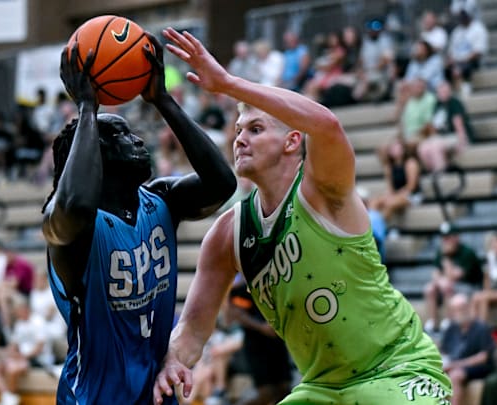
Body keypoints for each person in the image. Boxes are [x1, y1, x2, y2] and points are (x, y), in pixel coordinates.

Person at [154, 27, 451, 405]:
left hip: (397, 369)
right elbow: (193, 331)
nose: (240, 139)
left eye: (256, 129)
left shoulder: (324, 189)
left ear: (293, 141)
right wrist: (172, 361)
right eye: (238, 130)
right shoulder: (227, 234)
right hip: (324, 389)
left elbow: (326, 125)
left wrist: (229, 84)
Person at [41, 35, 236, 405]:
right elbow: (77, 204)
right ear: (95, 155)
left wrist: (162, 100)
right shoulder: (69, 225)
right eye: (120, 135)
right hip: (93, 397)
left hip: (156, 392)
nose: (138, 140)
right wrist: (87, 108)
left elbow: (222, 183)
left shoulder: (161, 199)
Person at [228, 276, 292, 405]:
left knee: (284, 390)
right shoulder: (240, 289)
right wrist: (261, 327)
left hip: (278, 343)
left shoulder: (278, 284)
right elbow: (236, 313)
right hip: (256, 345)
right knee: (267, 392)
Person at [0, 296, 53, 405]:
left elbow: (39, 348)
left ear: (25, 309)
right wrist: (6, 353)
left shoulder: (38, 322)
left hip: (37, 359)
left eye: (18, 311)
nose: (17, 314)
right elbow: (14, 345)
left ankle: (10, 400)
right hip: (22, 357)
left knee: (12, 368)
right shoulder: (19, 324)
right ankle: (7, 397)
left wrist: (21, 356)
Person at [423, 225, 483, 332]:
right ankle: (433, 322)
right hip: (448, 285)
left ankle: (448, 322)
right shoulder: (440, 251)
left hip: (469, 287)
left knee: (447, 285)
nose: (445, 241)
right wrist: (440, 281)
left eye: (448, 238)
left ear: (456, 237)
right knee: (429, 288)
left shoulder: (467, 253)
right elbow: (435, 274)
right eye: (443, 238)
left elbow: (454, 276)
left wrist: (447, 258)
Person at [440, 294, 494, 405]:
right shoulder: (451, 328)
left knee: (456, 375)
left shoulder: (481, 327)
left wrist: (456, 365)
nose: (460, 312)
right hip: (454, 364)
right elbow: (443, 352)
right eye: (456, 309)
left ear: (469, 307)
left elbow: (483, 357)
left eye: (463, 308)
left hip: (477, 367)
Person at [417, 81, 473, 173]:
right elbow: (434, 126)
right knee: (423, 148)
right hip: (442, 137)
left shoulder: (454, 103)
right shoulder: (437, 105)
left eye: (445, 91)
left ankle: (441, 172)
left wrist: (462, 140)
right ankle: (432, 171)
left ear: (449, 92)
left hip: (455, 135)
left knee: (436, 145)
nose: (442, 94)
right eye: (440, 92)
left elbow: (458, 123)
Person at [370, 139, 422, 221]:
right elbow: (390, 188)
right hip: (397, 195)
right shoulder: (389, 167)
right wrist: (389, 196)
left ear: (403, 149)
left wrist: (394, 197)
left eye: (397, 147)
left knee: (389, 204)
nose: (395, 149)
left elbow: (411, 186)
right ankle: (372, 224)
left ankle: (380, 229)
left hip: (412, 195)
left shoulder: (410, 163)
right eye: (392, 148)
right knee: (374, 202)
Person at [446, 9, 488, 97]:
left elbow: (478, 52)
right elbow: (451, 52)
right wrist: (452, 62)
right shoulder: (457, 31)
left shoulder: (478, 28)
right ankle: (450, 93)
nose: (462, 19)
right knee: (445, 69)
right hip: (457, 61)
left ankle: (465, 91)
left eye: (464, 17)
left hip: (473, 60)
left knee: (463, 68)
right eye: (460, 18)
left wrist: (461, 62)